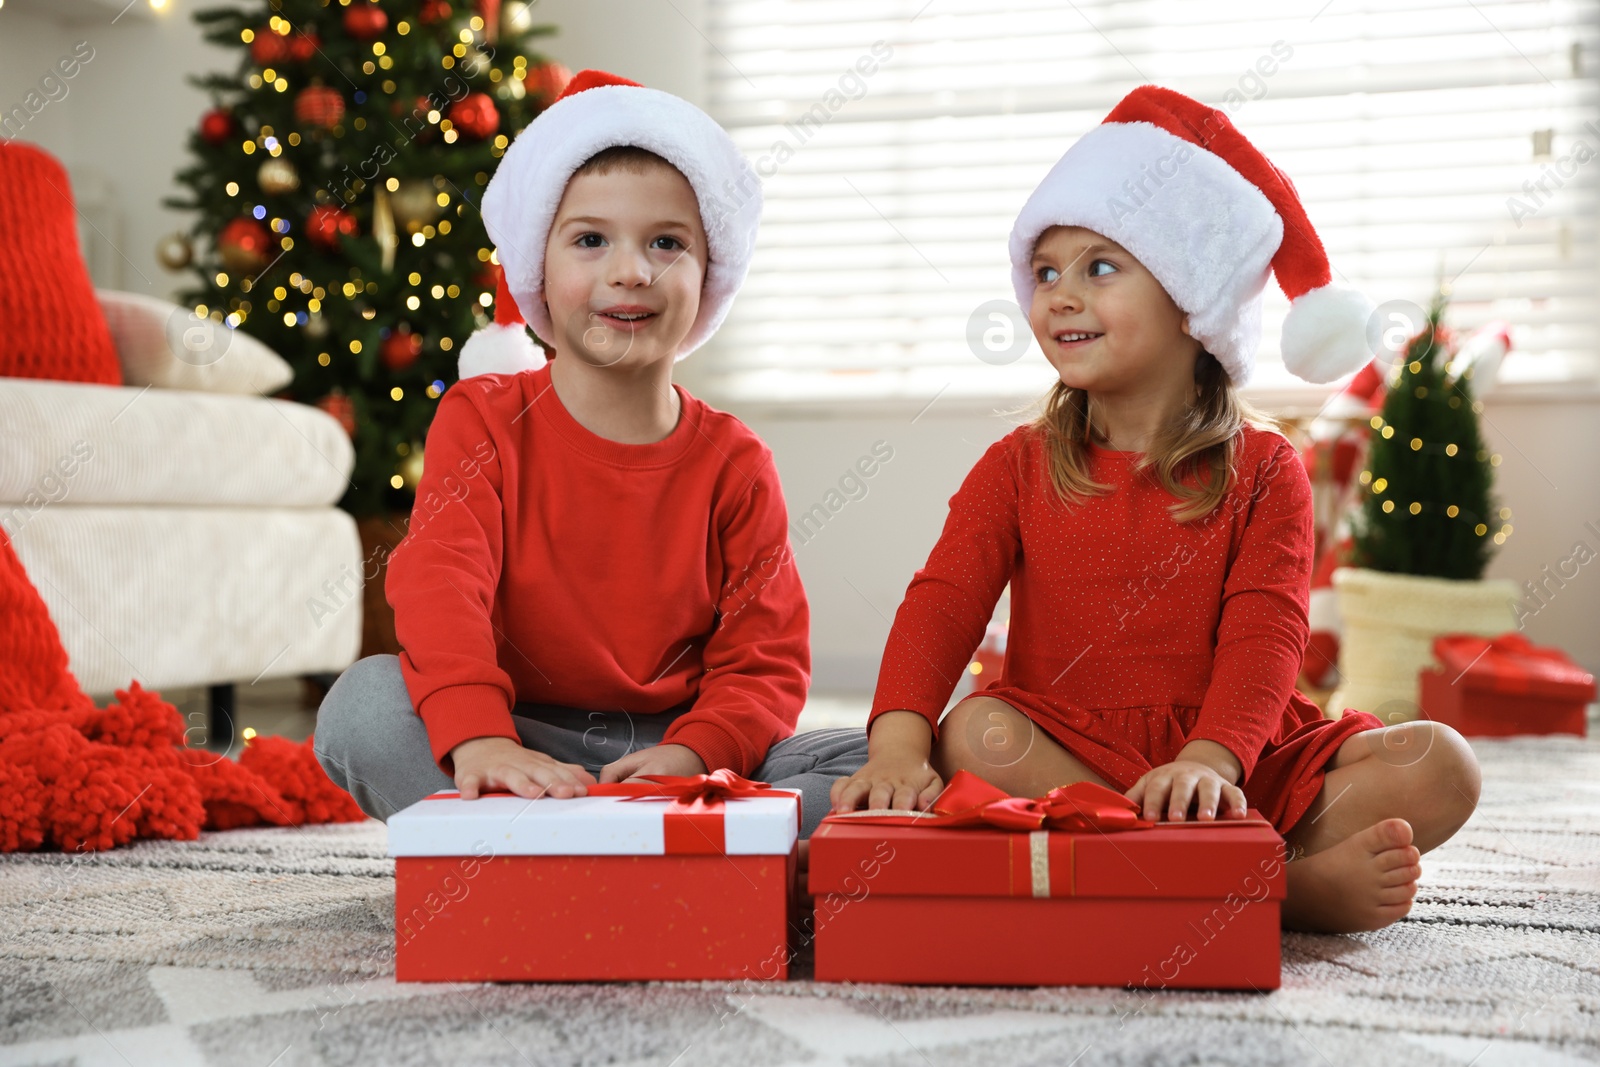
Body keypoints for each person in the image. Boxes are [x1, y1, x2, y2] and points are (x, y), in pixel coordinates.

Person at [828, 85, 1482, 933]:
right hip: (1072, 753)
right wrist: (897, 745)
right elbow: (944, 601)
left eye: (1100, 266)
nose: (1059, 294)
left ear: (1191, 297)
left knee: (1442, 764)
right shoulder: (1017, 465)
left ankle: (1185, 865)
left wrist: (1213, 757)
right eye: (1045, 272)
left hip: (1238, 757)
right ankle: (1271, 885)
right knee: (976, 731)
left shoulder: (1264, 469)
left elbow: (1266, 630)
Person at [315, 70, 868, 841]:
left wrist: (694, 751)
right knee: (364, 707)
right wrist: (481, 737)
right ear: (538, 265)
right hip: (521, 734)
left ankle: (559, 851)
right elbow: (442, 586)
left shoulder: (737, 463)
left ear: (711, 274)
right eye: (590, 239)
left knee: (877, 757)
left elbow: (762, 660)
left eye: (667, 243)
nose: (630, 270)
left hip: (680, 757)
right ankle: (643, 852)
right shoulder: (481, 419)